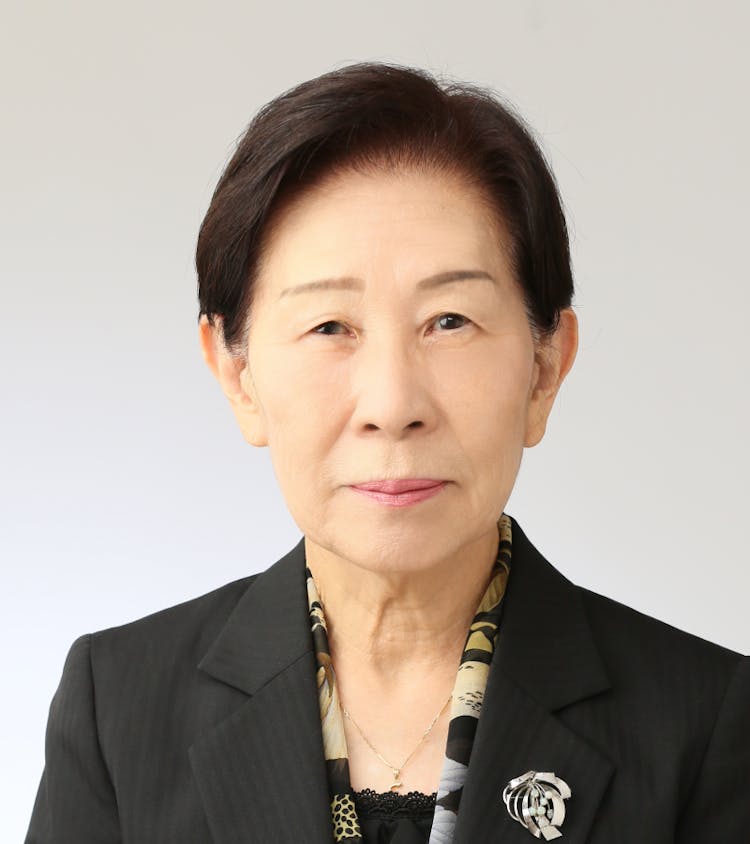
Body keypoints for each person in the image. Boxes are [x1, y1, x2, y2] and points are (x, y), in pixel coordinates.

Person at [26, 61, 749, 844]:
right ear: (237, 375)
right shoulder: (118, 711)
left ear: (545, 368)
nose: (393, 405)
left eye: (450, 321)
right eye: (330, 327)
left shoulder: (704, 723)